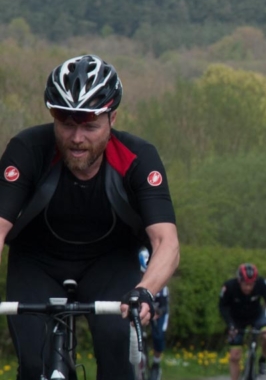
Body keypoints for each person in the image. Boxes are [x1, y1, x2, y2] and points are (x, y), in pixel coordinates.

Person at [0, 54, 180, 380]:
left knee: (117, 354)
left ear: (112, 119)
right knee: (33, 364)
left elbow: (166, 241)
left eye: (89, 126)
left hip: (110, 263)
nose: (77, 138)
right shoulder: (28, 149)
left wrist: (146, 290)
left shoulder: (138, 158)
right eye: (67, 124)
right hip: (36, 262)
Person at [219, 263, 266, 380]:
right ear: (239, 281)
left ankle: (263, 360)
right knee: (234, 356)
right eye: (245, 284)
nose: (248, 288)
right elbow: (223, 307)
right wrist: (230, 324)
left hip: (256, 316)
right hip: (236, 319)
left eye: (251, 284)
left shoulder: (262, 284)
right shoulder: (229, 286)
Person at [139, 247, 170, 379]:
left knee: (158, 335)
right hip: (141, 311)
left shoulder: (161, 284)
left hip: (157, 312)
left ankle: (156, 364)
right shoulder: (133, 281)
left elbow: (164, 307)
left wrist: (157, 313)